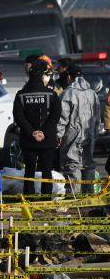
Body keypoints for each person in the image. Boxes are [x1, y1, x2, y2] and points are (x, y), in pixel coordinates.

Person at [13, 55, 61, 197]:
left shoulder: (21, 95)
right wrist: (44, 133)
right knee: (47, 170)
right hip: (47, 140)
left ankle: (29, 196)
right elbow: (55, 116)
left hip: (28, 140)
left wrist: (32, 132)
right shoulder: (51, 94)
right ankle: (46, 196)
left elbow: (18, 116)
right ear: (41, 77)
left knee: (29, 170)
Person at [57, 63, 100, 195]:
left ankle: (74, 196)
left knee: (72, 164)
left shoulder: (68, 94)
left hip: (72, 135)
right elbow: (97, 118)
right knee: (88, 164)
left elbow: (61, 119)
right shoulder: (92, 94)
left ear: (69, 77)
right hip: (90, 134)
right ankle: (89, 195)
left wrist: (58, 135)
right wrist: (95, 134)